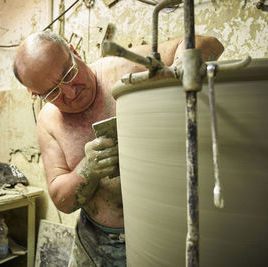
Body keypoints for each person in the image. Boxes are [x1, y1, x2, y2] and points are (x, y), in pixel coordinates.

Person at [13, 31, 223, 266]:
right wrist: (87, 169)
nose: (71, 93)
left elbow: (210, 43)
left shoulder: (125, 67)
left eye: (69, 74)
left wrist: (181, 67)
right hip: (97, 242)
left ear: (74, 52)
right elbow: (62, 201)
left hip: (165, 232)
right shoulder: (48, 121)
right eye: (53, 93)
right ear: (35, 94)